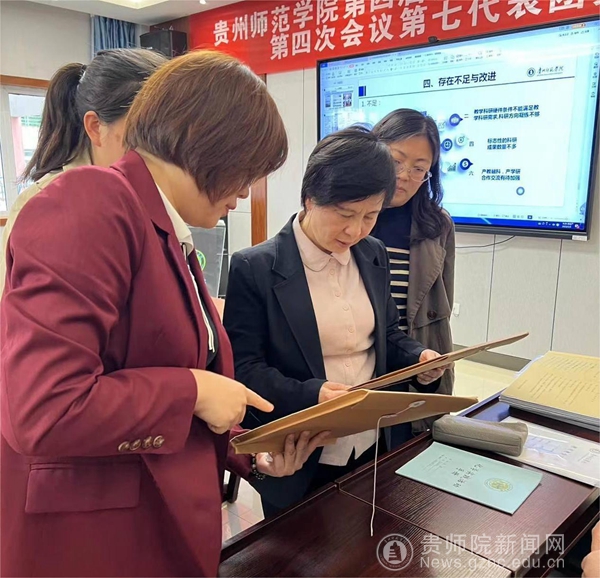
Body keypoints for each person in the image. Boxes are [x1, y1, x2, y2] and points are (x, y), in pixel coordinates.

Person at [0, 51, 329, 578]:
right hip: (95, 542)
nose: (245, 192)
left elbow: (157, 371)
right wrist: (193, 391)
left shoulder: (163, 226)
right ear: (202, 141)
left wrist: (249, 451)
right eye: (246, 171)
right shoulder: (92, 200)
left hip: (155, 516)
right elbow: (46, 407)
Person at [223, 126, 448, 517]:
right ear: (310, 198)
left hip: (374, 442)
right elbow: (245, 369)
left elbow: (387, 334)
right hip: (301, 451)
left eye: (370, 216)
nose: (355, 230)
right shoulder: (255, 266)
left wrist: (419, 358)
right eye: (344, 214)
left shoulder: (372, 253)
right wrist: (314, 394)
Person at [0, 48, 169, 295]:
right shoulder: (51, 205)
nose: (164, 152)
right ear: (95, 127)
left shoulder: (144, 192)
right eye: (145, 134)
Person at [371, 109, 456, 434]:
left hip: (415, 361)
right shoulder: (349, 217)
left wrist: (430, 362)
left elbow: (441, 301)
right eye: (396, 161)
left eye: (419, 169)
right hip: (358, 361)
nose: (405, 176)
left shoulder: (437, 224)